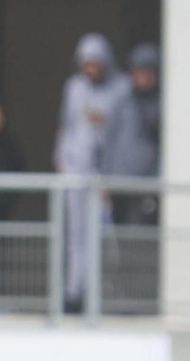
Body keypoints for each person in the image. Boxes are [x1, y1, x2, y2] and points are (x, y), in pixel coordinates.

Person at [53, 34, 133, 310]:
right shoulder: (74, 88)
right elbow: (67, 125)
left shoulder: (122, 88)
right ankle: (75, 291)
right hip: (77, 170)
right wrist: (62, 160)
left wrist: (105, 124)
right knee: (76, 235)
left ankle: (106, 294)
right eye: (86, 63)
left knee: (106, 238)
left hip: (106, 175)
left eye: (96, 63)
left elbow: (125, 135)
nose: (91, 69)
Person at [108, 44, 160, 225]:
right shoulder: (123, 101)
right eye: (138, 71)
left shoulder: (161, 103)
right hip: (120, 182)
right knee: (121, 233)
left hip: (147, 183)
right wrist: (106, 177)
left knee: (141, 233)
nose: (142, 77)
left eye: (147, 72)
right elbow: (111, 139)